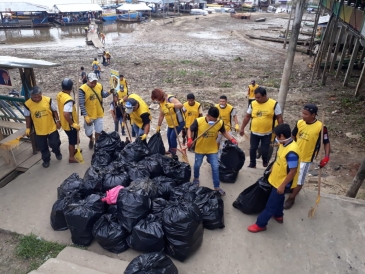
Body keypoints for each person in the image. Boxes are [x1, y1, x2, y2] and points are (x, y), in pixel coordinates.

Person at [247, 123, 300, 233]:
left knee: (270, 205)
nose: (275, 138)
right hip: (276, 179)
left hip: (281, 183)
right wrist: (272, 169)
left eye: (276, 136)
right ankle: (279, 215)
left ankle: (260, 224)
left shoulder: (292, 152)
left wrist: (282, 185)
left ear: (281, 136)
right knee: (279, 200)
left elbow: (293, 171)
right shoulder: (284, 144)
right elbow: (280, 160)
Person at [284, 104, 331, 210]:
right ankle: (291, 188)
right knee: (289, 173)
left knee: (300, 180)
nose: (303, 116)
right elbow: (293, 137)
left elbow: (326, 142)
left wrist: (326, 157)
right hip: (294, 155)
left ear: (313, 115)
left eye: (306, 114)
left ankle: (291, 198)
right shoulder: (299, 123)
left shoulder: (321, 127)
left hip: (306, 159)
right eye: (302, 113)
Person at [187, 106, 238, 196]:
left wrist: (232, 139)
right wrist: (190, 139)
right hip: (200, 149)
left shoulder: (219, 122)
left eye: (215, 120)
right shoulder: (199, 121)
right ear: (207, 115)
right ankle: (196, 178)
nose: (213, 122)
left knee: (215, 167)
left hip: (212, 149)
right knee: (197, 165)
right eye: (212, 119)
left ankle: (217, 187)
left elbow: (223, 132)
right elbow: (190, 129)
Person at [239, 87, 283, 168]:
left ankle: (265, 161)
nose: (256, 99)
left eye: (258, 97)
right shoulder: (253, 103)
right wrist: (242, 128)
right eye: (255, 97)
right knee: (253, 148)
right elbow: (247, 116)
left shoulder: (274, 104)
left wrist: (281, 131)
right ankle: (252, 163)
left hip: (267, 132)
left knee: (265, 149)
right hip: (254, 131)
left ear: (264, 96)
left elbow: (279, 117)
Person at [24, 86, 62, 168]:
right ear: (31, 96)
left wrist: (58, 121)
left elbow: (55, 111)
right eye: (35, 97)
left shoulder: (48, 100)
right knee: (43, 147)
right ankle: (46, 160)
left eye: (38, 96)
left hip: (51, 127)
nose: (37, 99)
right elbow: (27, 117)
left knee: (55, 143)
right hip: (39, 130)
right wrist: (28, 128)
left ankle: (57, 152)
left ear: (41, 94)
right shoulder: (28, 104)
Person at [79, 73, 112, 149]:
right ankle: (91, 139)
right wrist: (86, 116)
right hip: (89, 115)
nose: (94, 84)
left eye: (95, 82)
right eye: (92, 82)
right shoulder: (82, 89)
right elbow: (81, 104)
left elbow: (102, 95)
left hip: (98, 112)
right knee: (88, 132)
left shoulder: (99, 86)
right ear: (87, 80)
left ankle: (97, 144)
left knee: (99, 131)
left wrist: (110, 92)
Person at [151, 88, 185, 157]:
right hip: (171, 124)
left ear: (161, 96)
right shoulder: (161, 103)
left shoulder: (170, 99)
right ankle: (170, 150)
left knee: (172, 137)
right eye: (156, 100)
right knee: (168, 136)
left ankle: (173, 153)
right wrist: (158, 126)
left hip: (178, 122)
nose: (158, 101)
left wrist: (172, 105)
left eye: (158, 99)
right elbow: (161, 115)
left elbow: (180, 105)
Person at [56, 79, 81, 163]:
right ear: (71, 88)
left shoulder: (60, 94)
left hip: (64, 122)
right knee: (72, 141)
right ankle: (71, 157)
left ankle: (73, 151)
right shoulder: (68, 100)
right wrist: (73, 124)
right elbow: (66, 114)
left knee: (73, 139)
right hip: (69, 125)